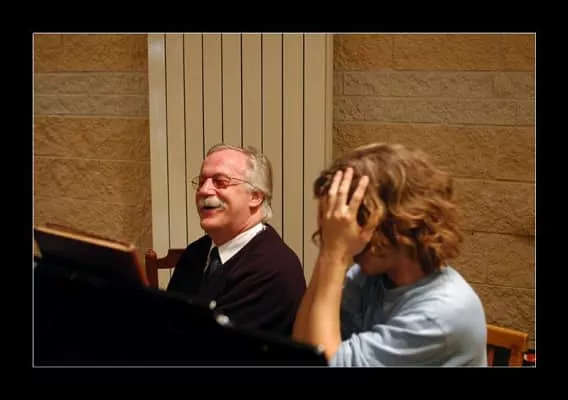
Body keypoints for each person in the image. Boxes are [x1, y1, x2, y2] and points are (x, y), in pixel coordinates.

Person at [292, 142, 488, 366]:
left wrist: (334, 253)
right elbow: (302, 350)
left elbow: (324, 366)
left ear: (400, 222)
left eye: (356, 220)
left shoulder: (440, 314)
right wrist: (329, 246)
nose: (349, 235)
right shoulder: (368, 279)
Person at [167, 144, 306, 337]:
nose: (204, 190)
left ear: (255, 196)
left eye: (220, 182)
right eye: (201, 181)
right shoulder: (197, 252)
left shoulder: (272, 269)